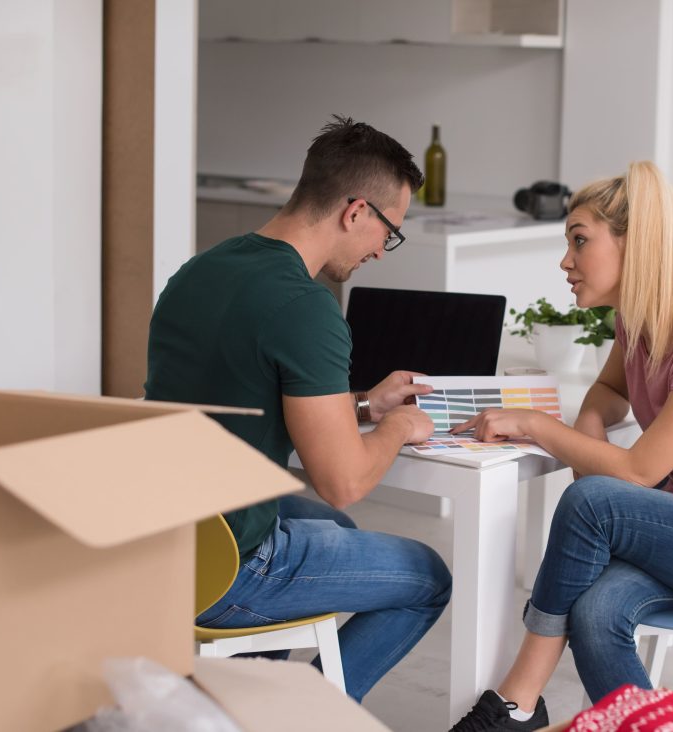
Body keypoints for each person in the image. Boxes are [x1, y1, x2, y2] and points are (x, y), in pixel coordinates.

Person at [449, 161, 673, 731]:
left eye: (580, 241)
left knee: (592, 501)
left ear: (634, 246)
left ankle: (517, 699)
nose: (566, 262)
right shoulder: (638, 324)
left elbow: (640, 471)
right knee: (594, 612)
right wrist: (588, 424)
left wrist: (535, 425)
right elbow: (611, 389)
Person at [144, 115, 452, 703]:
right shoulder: (306, 308)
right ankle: (300, 713)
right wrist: (396, 425)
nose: (382, 251)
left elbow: (245, 395)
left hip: (165, 538)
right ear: (356, 211)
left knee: (332, 529)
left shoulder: (200, 271)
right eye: (389, 232)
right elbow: (343, 481)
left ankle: (250, 697)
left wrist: (362, 403)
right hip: (229, 565)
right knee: (428, 577)